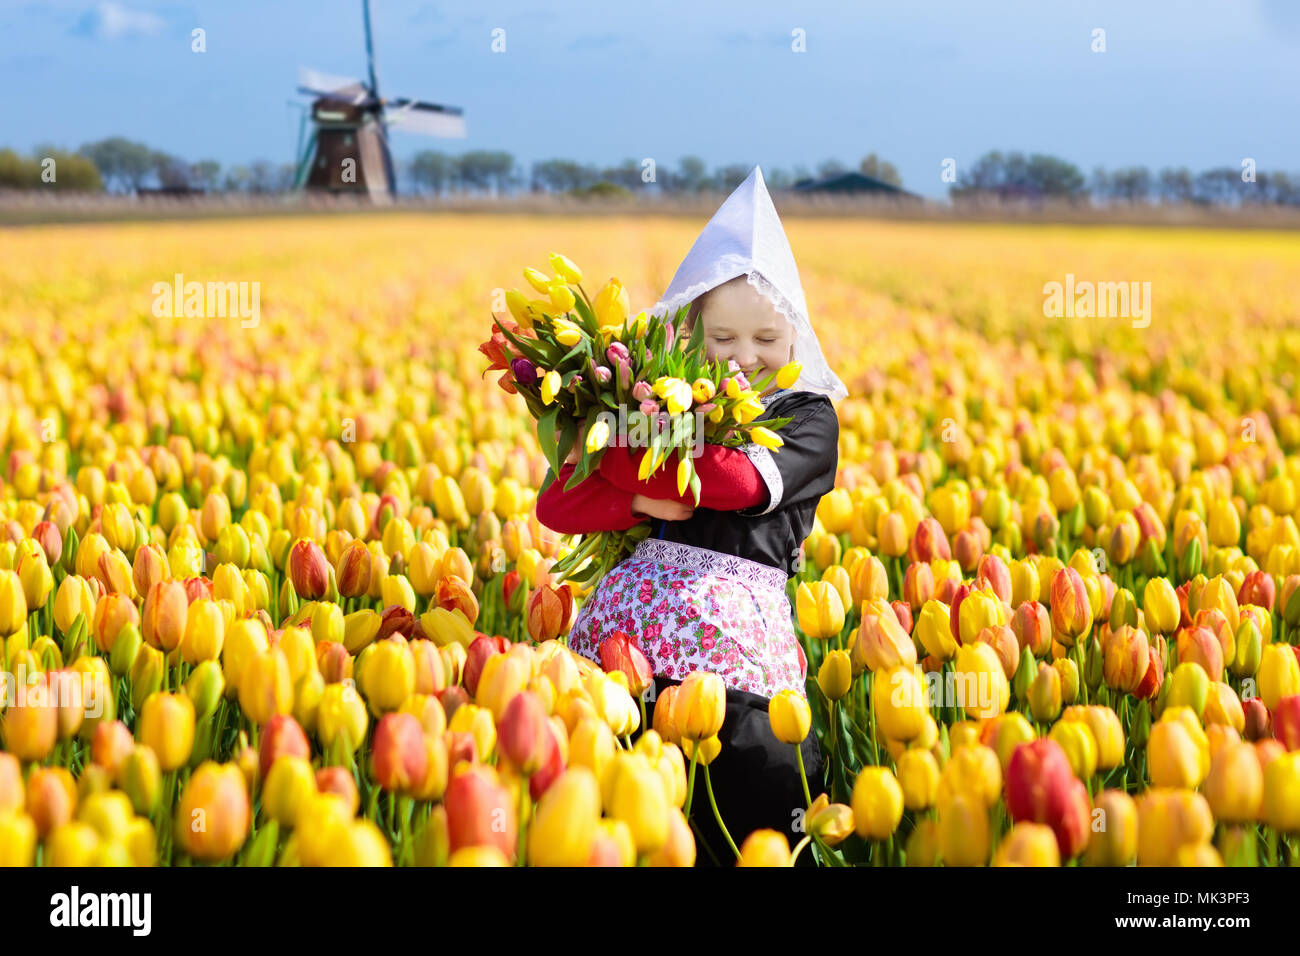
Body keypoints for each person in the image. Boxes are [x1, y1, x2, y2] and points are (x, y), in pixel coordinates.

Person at [535, 166, 847, 866]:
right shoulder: (671, 407)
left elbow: (735, 482)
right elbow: (556, 504)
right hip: (625, 647)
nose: (745, 359)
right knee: (620, 802)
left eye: (766, 339)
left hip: (733, 656)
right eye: (723, 340)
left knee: (751, 786)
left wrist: (629, 439)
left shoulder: (808, 418)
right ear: (691, 338)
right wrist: (644, 496)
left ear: (795, 336)